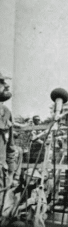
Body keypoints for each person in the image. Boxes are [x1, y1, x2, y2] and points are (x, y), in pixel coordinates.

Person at [0, 73, 16, 218]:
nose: (5, 85)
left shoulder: (6, 112)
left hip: (1, 172)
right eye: (1, 82)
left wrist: (11, 172)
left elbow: (10, 146)